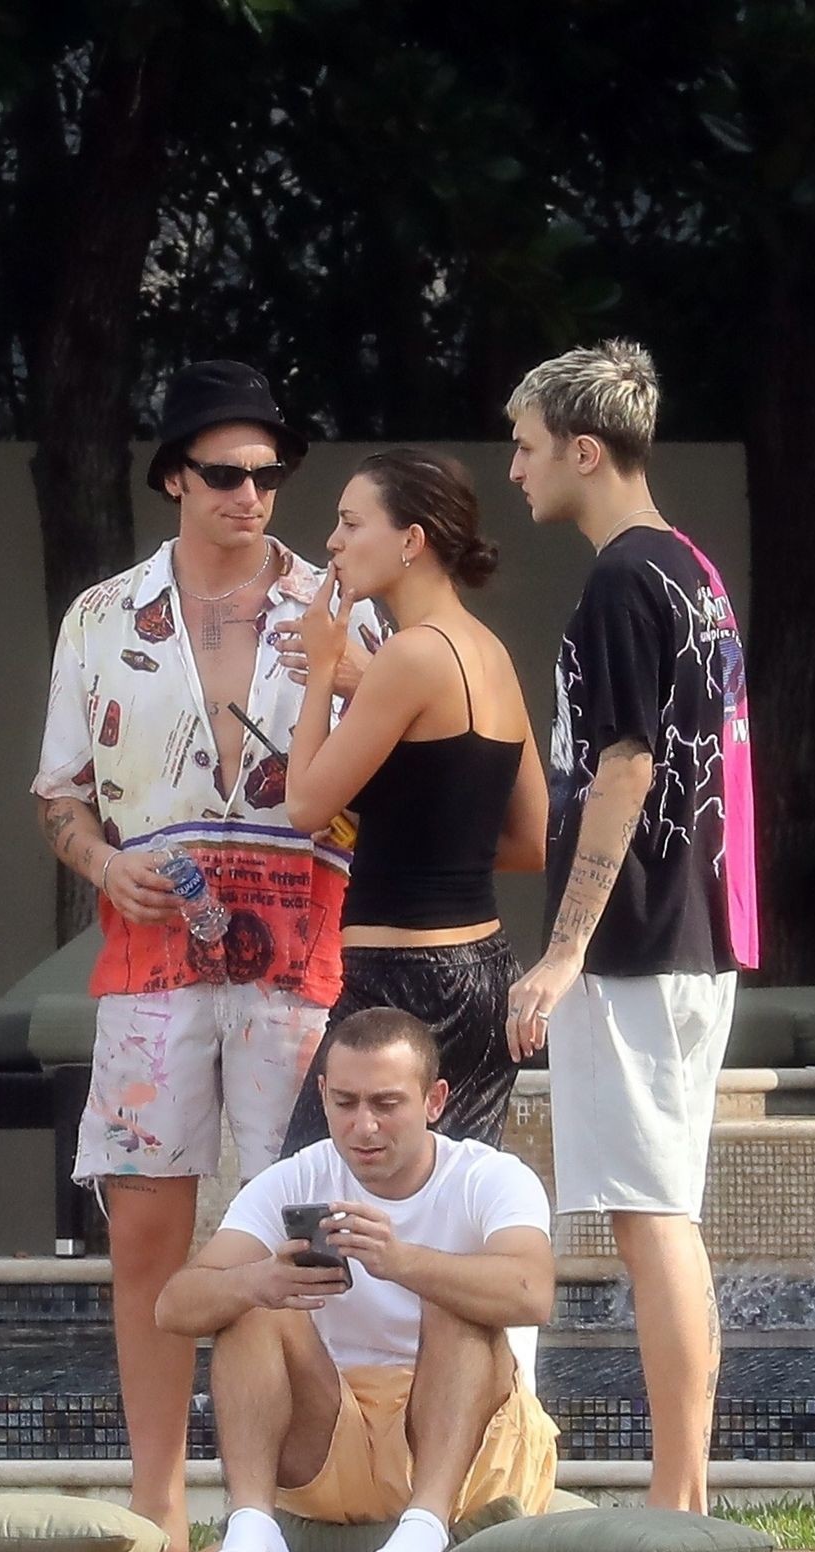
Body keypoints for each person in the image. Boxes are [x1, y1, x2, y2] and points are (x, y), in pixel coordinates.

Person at [32, 359, 381, 1552]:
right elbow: (59, 794)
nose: (251, 495)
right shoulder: (100, 616)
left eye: (269, 475)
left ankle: (298, 1490)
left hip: (298, 949)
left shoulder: (340, 607)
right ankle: (157, 1501)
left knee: (304, 1227)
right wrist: (98, 862)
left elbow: (393, 766)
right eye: (226, 473)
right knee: (144, 1232)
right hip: (148, 961)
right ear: (174, 477)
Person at [505, 339, 758, 1514]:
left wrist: (561, 950)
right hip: (691, 930)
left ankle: (677, 1497)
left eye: (524, 446)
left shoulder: (621, 579)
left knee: (652, 1220)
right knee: (657, 1214)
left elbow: (622, 765)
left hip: (640, 938)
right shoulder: (689, 568)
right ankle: (681, 1491)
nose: (514, 469)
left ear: (581, 450)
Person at [155, 1007, 559, 1552]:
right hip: (335, 1441)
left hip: (470, 1451)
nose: (364, 1127)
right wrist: (259, 1281)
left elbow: (532, 1293)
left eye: (386, 1104)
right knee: (250, 1303)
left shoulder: (489, 1177)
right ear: (322, 1096)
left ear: (434, 1101)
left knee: (456, 1298)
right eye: (345, 1103)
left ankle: (426, 1527)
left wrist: (403, 1263)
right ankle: (253, 1527)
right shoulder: (295, 1178)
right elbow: (173, 1306)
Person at [279, 448, 547, 1157]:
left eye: (350, 523)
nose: (333, 543)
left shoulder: (409, 656)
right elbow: (531, 841)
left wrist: (322, 667)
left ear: (412, 540)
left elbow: (304, 805)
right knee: (440, 1204)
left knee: (313, 1197)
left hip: (401, 981)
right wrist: (416, 839)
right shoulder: (490, 652)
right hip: (485, 975)